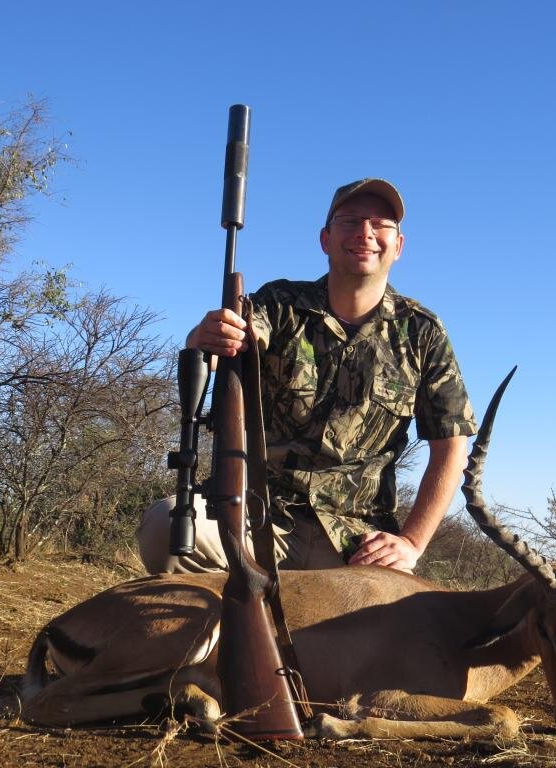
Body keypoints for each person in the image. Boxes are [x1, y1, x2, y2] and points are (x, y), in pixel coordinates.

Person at [138, 178, 476, 574]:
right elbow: (231, 344)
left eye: (380, 224)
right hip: (258, 516)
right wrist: (206, 338)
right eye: (349, 221)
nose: (364, 233)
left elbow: (451, 447)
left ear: (398, 246)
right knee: (167, 527)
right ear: (325, 239)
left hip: (358, 539)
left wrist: (411, 543)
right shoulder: (279, 303)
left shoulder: (423, 331)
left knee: (401, 618)